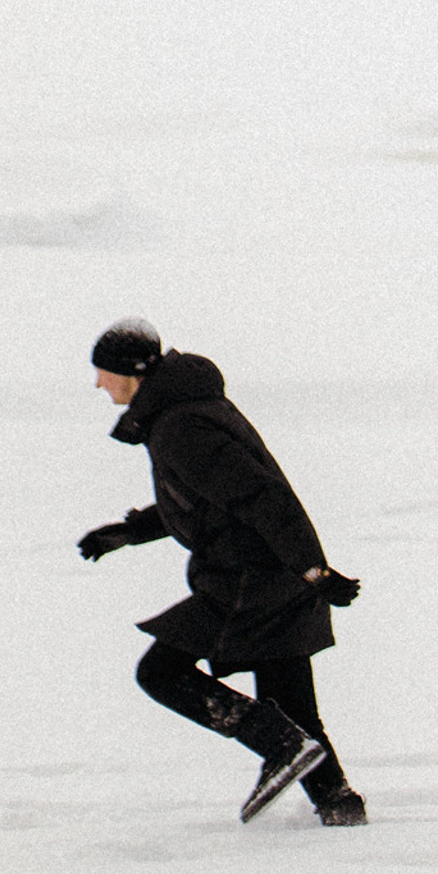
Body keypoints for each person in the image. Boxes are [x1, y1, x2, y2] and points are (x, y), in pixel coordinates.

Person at [78, 318, 367, 826]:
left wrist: (314, 570)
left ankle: (276, 743)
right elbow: (207, 499)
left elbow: (262, 496)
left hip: (249, 582)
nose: (99, 383)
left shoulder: (180, 425)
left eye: (103, 371)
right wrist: (130, 532)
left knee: (160, 673)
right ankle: (339, 806)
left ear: (133, 373)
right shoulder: (184, 412)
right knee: (291, 703)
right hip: (273, 575)